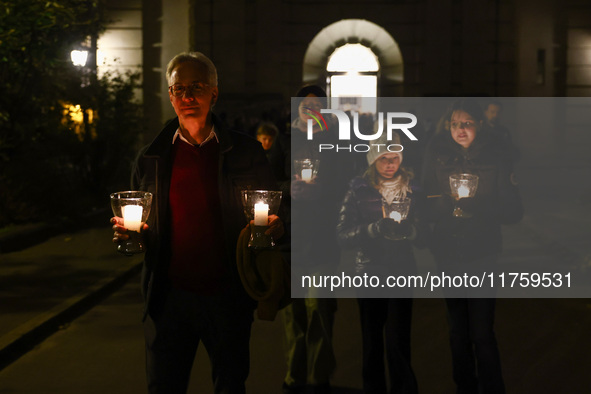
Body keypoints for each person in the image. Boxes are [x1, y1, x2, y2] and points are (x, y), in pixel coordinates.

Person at [110, 51, 284, 394]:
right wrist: (130, 237)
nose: (187, 97)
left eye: (197, 87)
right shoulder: (151, 157)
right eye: (179, 89)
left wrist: (275, 228)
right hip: (169, 298)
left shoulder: (246, 152)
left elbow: (275, 213)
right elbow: (139, 226)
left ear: (214, 94)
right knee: (164, 385)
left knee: (230, 384)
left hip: (228, 295)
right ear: (170, 95)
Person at [422, 99, 523, 394]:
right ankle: (464, 386)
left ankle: (492, 388)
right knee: (457, 331)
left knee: (481, 332)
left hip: (482, 251)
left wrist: (478, 206)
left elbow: (514, 211)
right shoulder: (437, 152)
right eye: (454, 124)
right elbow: (425, 200)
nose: (460, 130)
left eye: (466, 123)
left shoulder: (497, 155)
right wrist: (443, 206)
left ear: (479, 124)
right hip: (448, 251)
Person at [336, 132, 422, 394]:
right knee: (372, 341)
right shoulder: (358, 189)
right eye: (383, 158)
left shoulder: (412, 189)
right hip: (370, 271)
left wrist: (412, 231)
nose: (389, 164)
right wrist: (373, 229)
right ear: (373, 159)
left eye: (394, 158)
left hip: (401, 270)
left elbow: (426, 231)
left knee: (398, 341)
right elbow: (342, 234)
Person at [279, 84, 350, 394]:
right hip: (290, 240)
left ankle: (319, 379)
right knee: (293, 317)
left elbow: (350, 185)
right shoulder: (285, 141)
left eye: (316, 105)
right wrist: (286, 189)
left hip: (322, 238)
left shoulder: (336, 141)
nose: (310, 110)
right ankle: (294, 379)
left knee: (319, 311)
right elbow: (265, 183)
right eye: (304, 105)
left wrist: (325, 192)